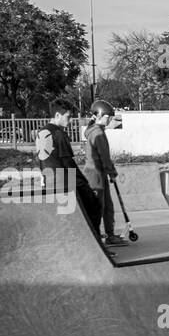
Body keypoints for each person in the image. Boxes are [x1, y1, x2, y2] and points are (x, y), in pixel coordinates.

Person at [36, 100, 103, 244]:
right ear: (58, 115)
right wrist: (83, 183)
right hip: (66, 182)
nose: (71, 120)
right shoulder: (59, 134)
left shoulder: (41, 132)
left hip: (50, 182)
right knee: (94, 206)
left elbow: (42, 161)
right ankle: (95, 243)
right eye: (68, 116)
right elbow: (68, 163)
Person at [82, 100, 127, 246]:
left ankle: (110, 234)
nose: (110, 119)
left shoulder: (96, 131)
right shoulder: (98, 133)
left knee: (107, 206)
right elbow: (104, 156)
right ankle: (95, 236)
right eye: (108, 116)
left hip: (98, 173)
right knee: (99, 207)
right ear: (99, 115)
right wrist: (112, 172)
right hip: (95, 174)